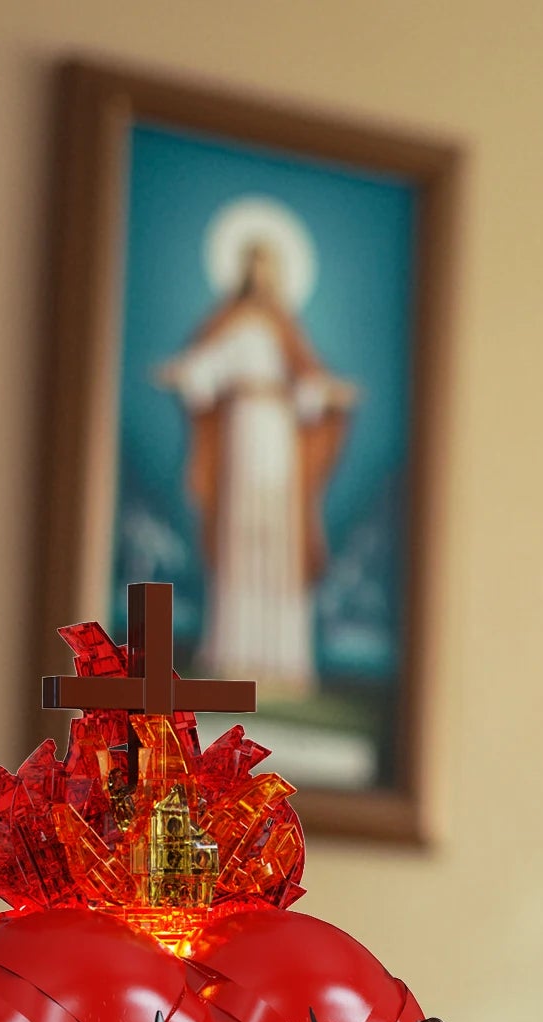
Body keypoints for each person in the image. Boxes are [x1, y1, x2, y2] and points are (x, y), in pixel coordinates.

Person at [156, 239, 358, 696]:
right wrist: (186, 373)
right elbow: (206, 370)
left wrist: (327, 395)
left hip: (280, 439)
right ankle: (236, 653)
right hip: (241, 435)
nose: (262, 276)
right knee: (240, 539)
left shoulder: (287, 328)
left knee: (279, 543)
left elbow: (307, 384)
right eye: (255, 266)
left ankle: (282, 662)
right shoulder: (228, 322)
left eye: (270, 267)